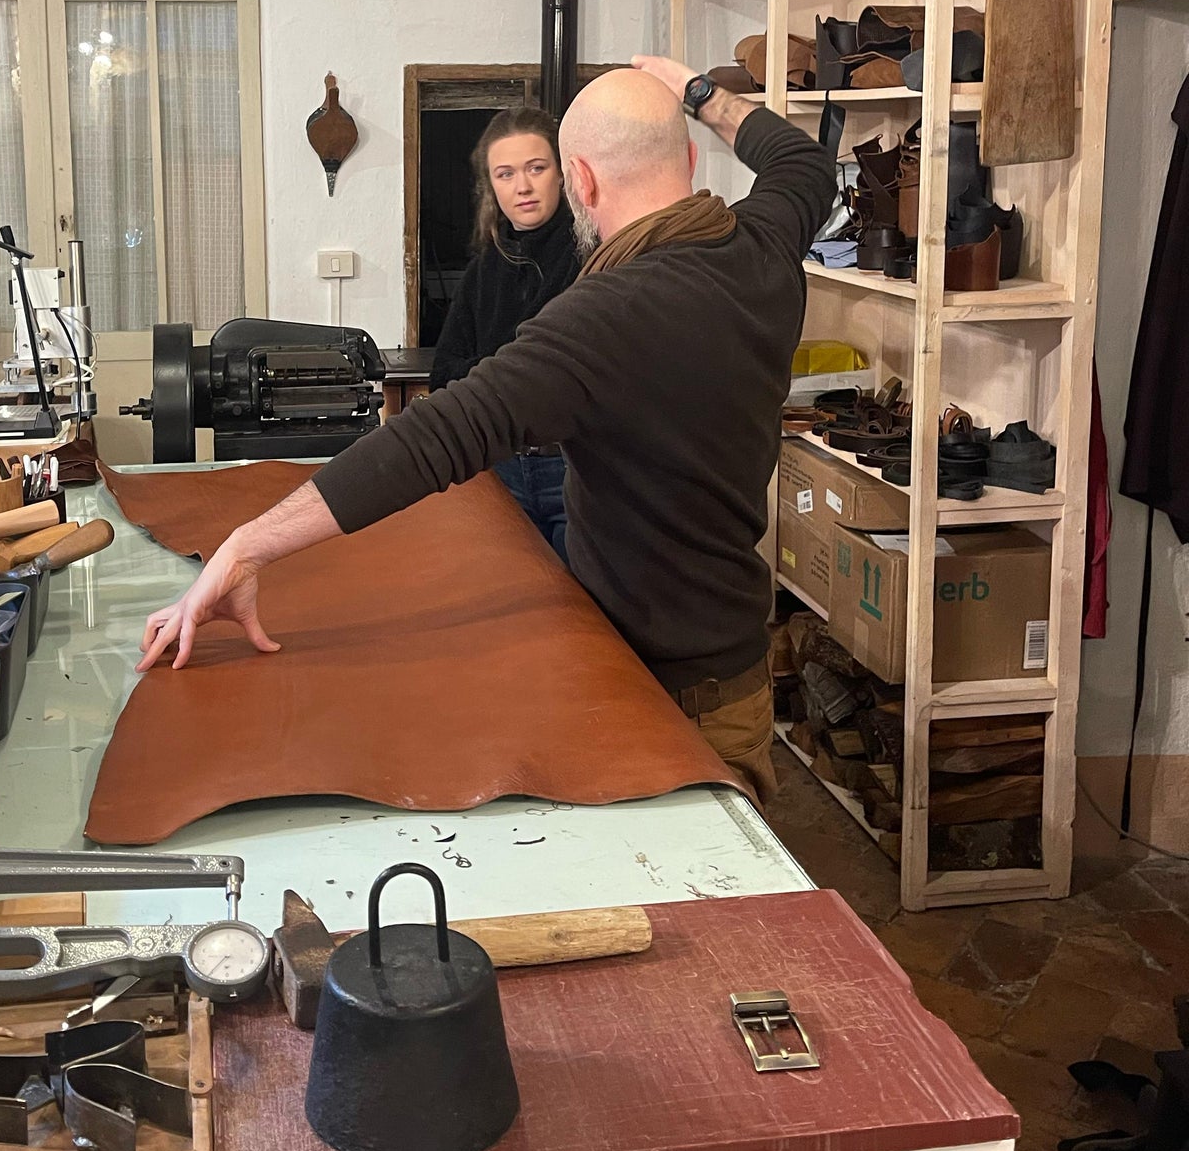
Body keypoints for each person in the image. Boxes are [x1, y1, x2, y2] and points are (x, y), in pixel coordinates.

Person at [138, 54, 835, 810]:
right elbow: (802, 163)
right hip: (737, 670)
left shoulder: (603, 320)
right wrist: (699, 93)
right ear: (692, 159)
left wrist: (246, 545)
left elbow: (433, 437)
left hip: (656, 692)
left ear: (580, 181)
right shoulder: (765, 243)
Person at [429, 107, 580, 555]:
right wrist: (511, 364)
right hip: (500, 472)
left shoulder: (591, 256)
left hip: (577, 473)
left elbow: (563, 375)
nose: (523, 186)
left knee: (582, 599)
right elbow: (443, 376)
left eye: (536, 168)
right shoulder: (482, 273)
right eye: (506, 173)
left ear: (562, 174)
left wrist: (489, 368)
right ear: (491, 186)